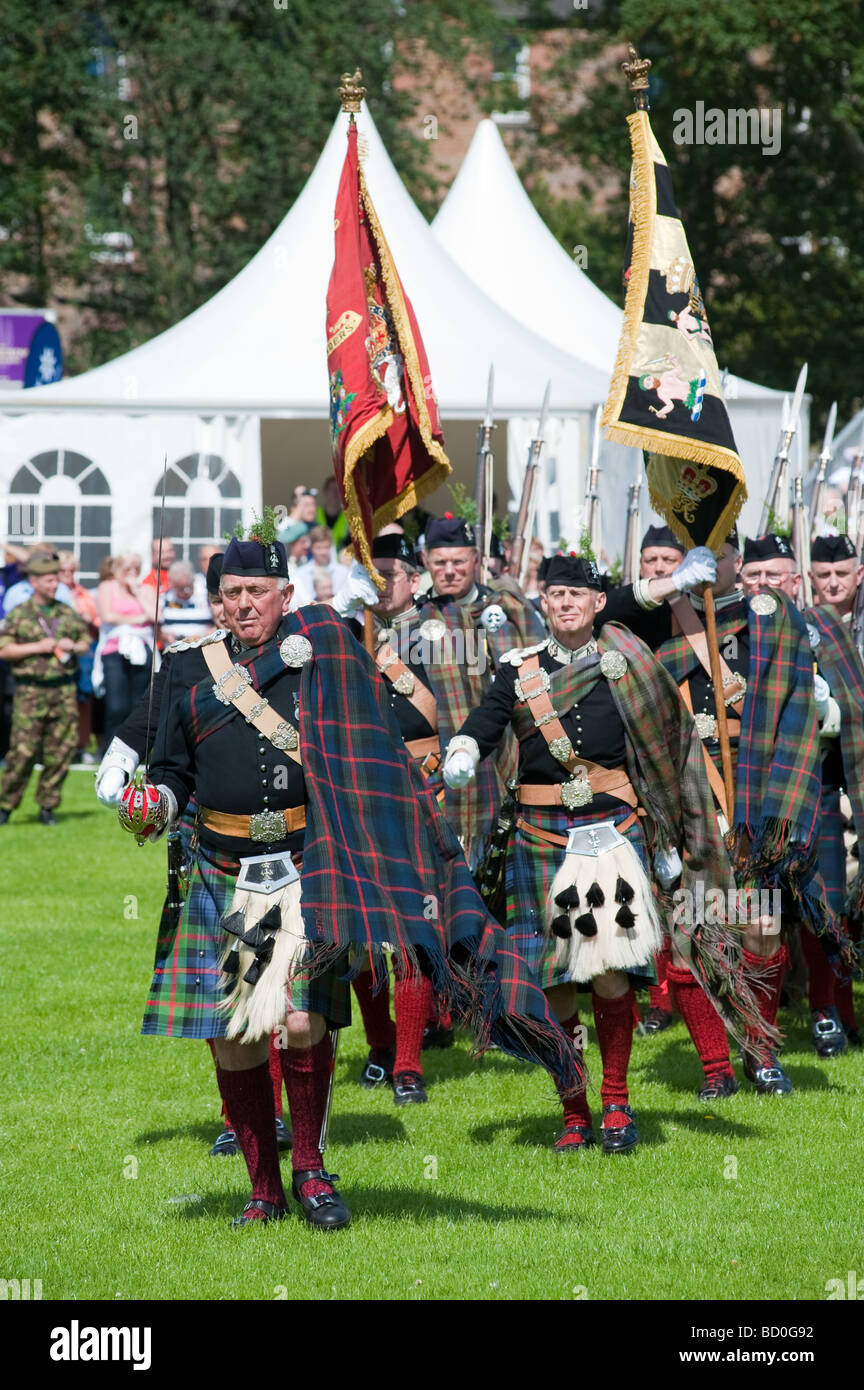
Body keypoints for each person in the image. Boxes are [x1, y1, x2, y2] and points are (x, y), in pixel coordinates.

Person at [125, 530, 578, 1229]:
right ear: (217, 603)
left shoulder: (320, 653)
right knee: (238, 1035)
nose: (243, 607)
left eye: (256, 594)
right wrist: (154, 802)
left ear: (284, 595)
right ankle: (262, 1189)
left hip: (308, 867)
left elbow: (370, 736)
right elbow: (172, 771)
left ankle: (310, 1170)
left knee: (301, 1021)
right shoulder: (187, 670)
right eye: (230, 596)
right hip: (224, 865)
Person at [442, 551, 768, 1150]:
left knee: (612, 974)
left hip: (615, 832)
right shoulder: (518, 672)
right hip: (540, 837)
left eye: (577, 596)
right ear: (544, 604)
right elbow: (485, 722)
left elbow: (668, 744)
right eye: (555, 595)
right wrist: (463, 749)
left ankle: (616, 1104)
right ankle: (573, 1110)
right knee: (554, 983)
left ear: (596, 605)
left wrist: (672, 834)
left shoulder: (625, 665)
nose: (565, 604)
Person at [613, 529, 853, 1094]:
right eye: (697, 554)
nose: (708, 563)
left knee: (764, 925)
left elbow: (797, 712)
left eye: (717, 554)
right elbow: (614, 610)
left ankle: (761, 1048)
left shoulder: (773, 620)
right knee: (694, 932)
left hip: (757, 795)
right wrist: (674, 583)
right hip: (687, 796)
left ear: (737, 563)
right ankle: (717, 1068)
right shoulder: (658, 618)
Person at [417, 513, 545, 870]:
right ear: (427, 562)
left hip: (513, 760)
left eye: (458, 561)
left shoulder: (510, 610)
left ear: (476, 559)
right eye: (440, 563)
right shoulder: (416, 618)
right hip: (445, 777)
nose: (450, 571)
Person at [0, 552, 91, 825]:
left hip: (62, 690)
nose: (55, 585)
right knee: (23, 751)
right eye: (50, 580)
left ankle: (48, 807)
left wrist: (72, 646)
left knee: (60, 751)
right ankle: (5, 805)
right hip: (31, 691)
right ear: (36, 581)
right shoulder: (19, 614)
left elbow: (85, 641)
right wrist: (37, 647)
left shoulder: (66, 612)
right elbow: (4, 649)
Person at [95, 553, 156, 748]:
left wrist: (137, 592)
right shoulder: (107, 587)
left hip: (141, 649)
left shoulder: (145, 589)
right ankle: (109, 748)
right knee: (116, 706)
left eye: (135, 569)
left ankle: (133, 749)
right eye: (127, 569)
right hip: (114, 650)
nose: (131, 573)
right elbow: (108, 616)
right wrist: (138, 620)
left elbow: (155, 615)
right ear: (117, 570)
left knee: (137, 704)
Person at [57, 551, 101, 763]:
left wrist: (85, 619)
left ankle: (81, 745)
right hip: (57, 651)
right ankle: (59, 745)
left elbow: (96, 621)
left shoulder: (83, 594)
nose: (67, 574)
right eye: (63, 570)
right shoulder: (52, 593)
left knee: (83, 697)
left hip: (83, 651)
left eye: (71, 570)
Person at [158, 560, 213, 645]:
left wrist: (201, 636)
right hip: (173, 650)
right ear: (172, 585)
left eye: (187, 587)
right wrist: (167, 636)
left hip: (202, 647)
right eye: (180, 588)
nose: (184, 592)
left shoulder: (206, 596)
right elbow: (156, 631)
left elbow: (219, 625)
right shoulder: (164, 598)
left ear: (193, 581)